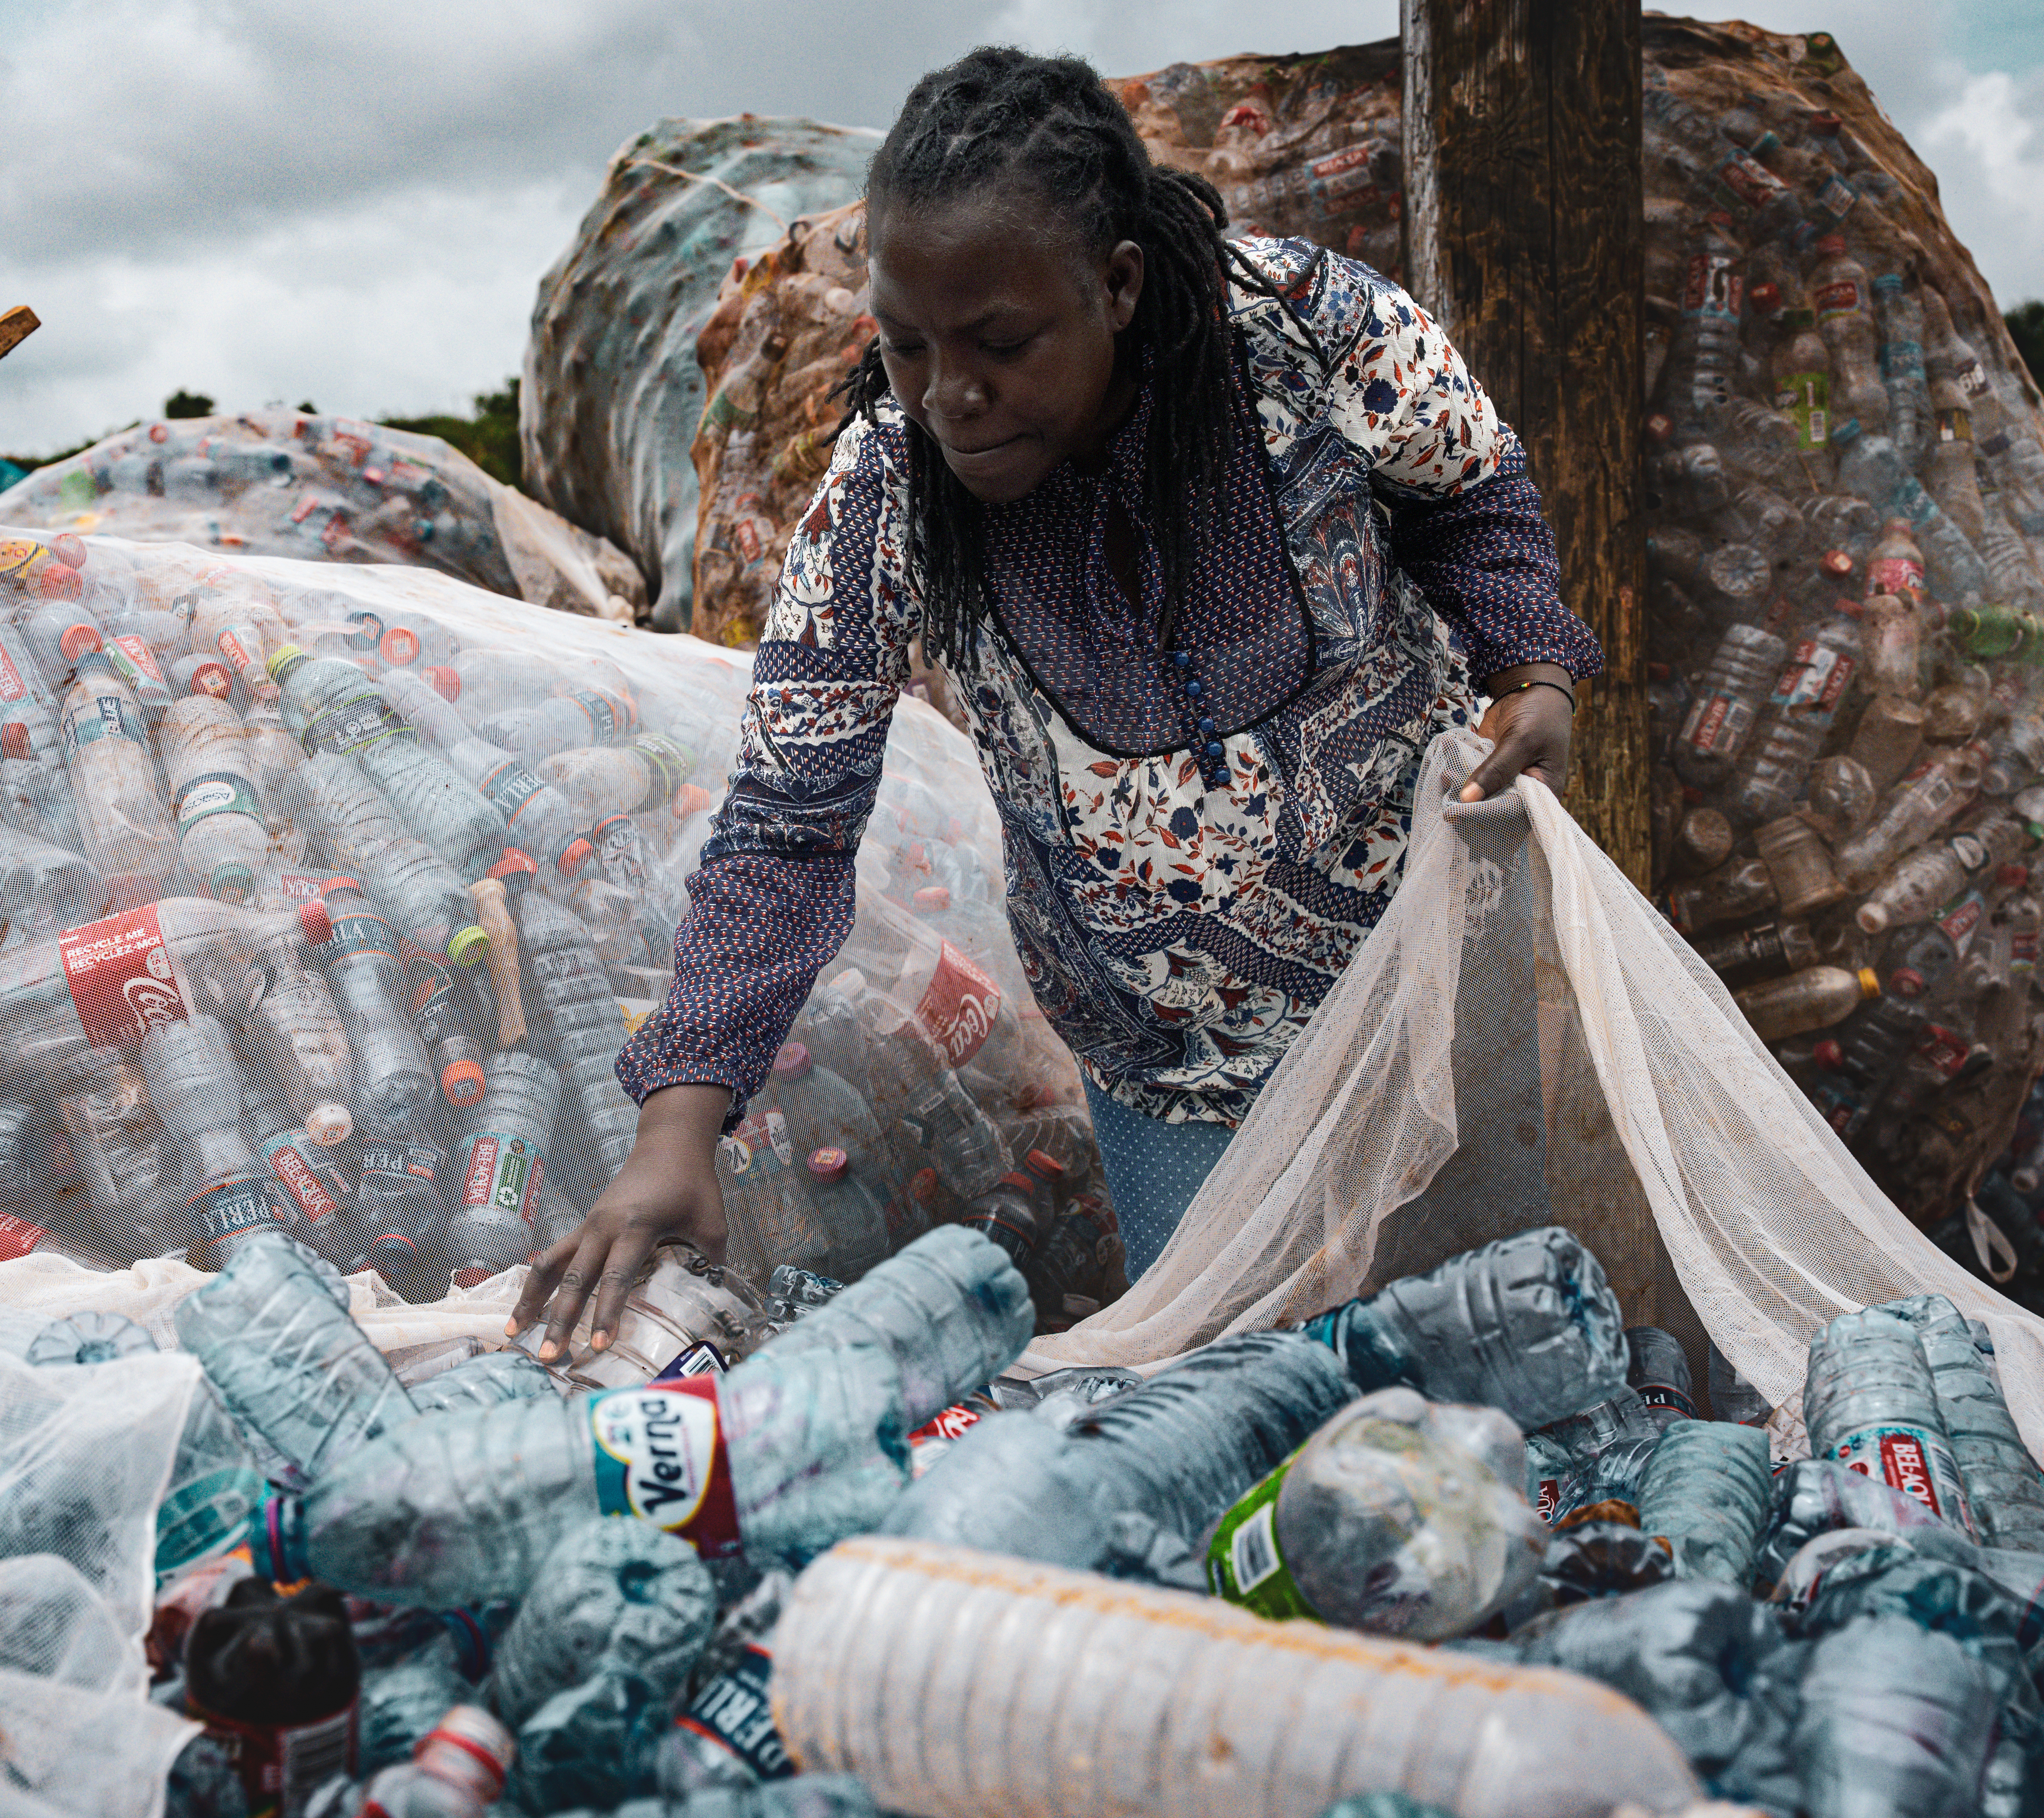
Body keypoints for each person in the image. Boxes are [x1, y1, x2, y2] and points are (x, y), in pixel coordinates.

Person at [510, 46, 1602, 1356]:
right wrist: (679, 1129)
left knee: (1506, 1375)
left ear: (1119, 286)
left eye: (1000, 343)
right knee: (1247, 1423)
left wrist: (1528, 668)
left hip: (1426, 990)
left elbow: (1467, 487)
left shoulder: (1313, 337)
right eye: (907, 347)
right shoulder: (887, 495)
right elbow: (789, 822)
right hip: (1170, 1068)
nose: (951, 396)